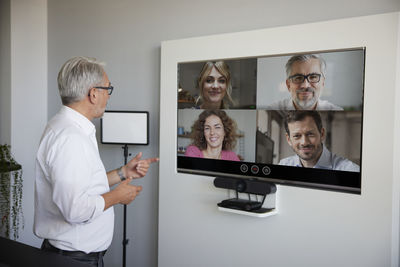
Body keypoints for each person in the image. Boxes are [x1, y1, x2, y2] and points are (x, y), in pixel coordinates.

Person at [34, 56, 158, 266]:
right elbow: (76, 210)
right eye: (107, 90)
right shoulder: (70, 138)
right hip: (74, 259)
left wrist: (123, 172)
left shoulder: (67, 127)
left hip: (74, 256)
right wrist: (117, 196)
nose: (108, 97)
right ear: (93, 93)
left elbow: (86, 186)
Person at [279, 111, 359, 172]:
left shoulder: (350, 170)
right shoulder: (283, 166)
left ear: (322, 134)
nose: (304, 142)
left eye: (310, 134)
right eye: (297, 136)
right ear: (289, 139)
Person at [267, 54, 343, 110]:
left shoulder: (335, 110)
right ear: (288, 85)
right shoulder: (273, 109)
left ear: (322, 83)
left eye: (313, 77)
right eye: (298, 78)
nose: (305, 85)